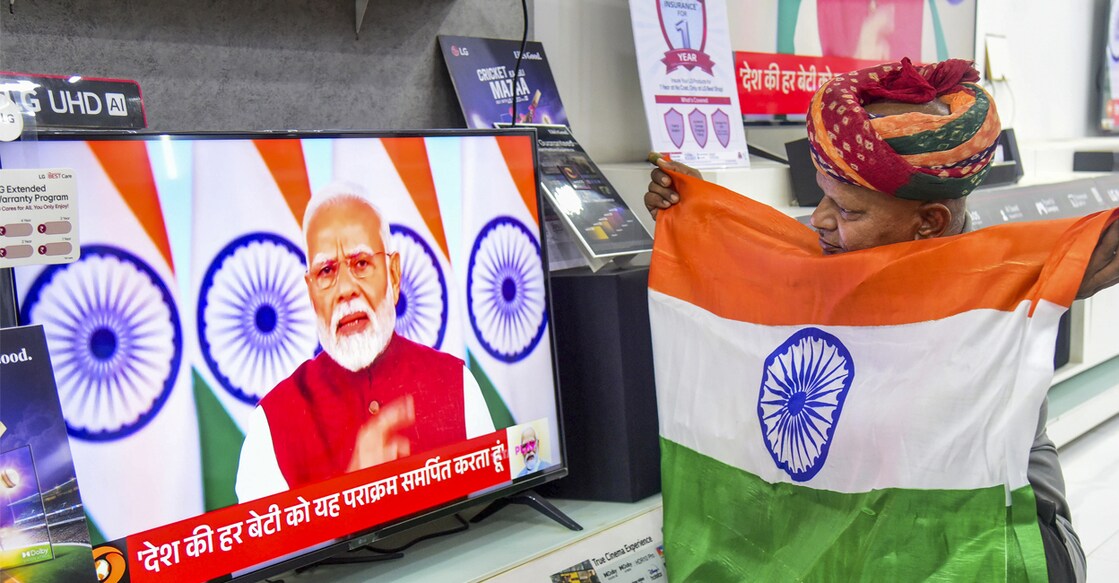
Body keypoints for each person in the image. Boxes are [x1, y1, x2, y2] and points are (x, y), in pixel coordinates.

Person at [645, 58, 1119, 583]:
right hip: (874, 522)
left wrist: (1060, 271)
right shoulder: (835, 270)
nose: (822, 220)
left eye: (847, 212)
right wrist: (703, 220)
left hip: (996, 533)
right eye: (823, 198)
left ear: (928, 223)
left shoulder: (998, 297)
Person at [235, 182, 494, 502]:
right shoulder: (271, 428)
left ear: (394, 275)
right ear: (310, 292)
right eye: (326, 271)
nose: (345, 289)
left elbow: (493, 518)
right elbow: (269, 550)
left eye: (360, 264)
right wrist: (353, 494)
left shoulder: (456, 384)